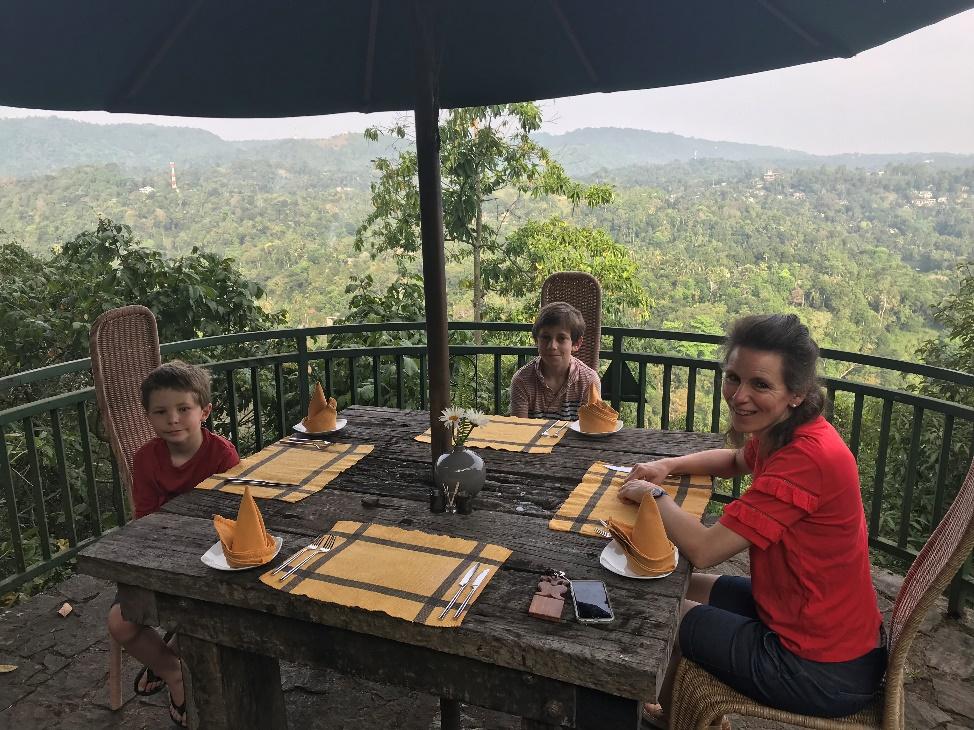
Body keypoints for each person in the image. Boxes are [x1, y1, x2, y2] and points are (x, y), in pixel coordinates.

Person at [619, 314, 886, 726]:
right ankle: (673, 714)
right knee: (668, 581)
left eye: (760, 384)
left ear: (796, 393)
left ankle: (667, 719)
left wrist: (653, 496)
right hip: (795, 613)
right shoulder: (786, 432)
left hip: (820, 665)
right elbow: (734, 459)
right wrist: (667, 465)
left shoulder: (807, 458)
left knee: (663, 614)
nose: (738, 396)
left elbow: (705, 549)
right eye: (733, 378)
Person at [107, 360, 239, 727]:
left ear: (205, 411)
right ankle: (174, 671)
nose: (174, 419)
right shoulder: (146, 459)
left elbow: (228, 518)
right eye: (161, 412)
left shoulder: (221, 455)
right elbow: (145, 519)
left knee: (213, 612)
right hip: (161, 556)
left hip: (211, 559)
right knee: (120, 623)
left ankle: (168, 661)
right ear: (148, 416)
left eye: (184, 409)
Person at [510, 301, 601, 420]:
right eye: (546, 337)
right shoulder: (522, 381)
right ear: (536, 341)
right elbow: (519, 430)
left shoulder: (589, 381)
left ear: (576, 343)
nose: (552, 346)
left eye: (561, 338)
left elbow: (592, 428)